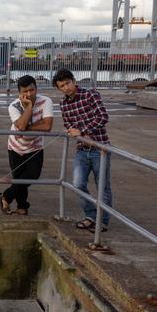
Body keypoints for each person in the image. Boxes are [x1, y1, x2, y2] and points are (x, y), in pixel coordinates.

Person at [53, 68, 112, 233]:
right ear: (58, 89)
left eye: (67, 83)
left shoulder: (90, 95)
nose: (66, 88)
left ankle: (102, 222)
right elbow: (68, 125)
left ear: (73, 81)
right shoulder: (63, 104)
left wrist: (84, 130)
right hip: (81, 149)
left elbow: (102, 117)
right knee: (78, 183)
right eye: (61, 86)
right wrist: (75, 132)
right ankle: (91, 216)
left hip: (100, 148)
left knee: (103, 187)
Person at [0, 75, 53, 215]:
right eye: (25, 91)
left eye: (32, 90)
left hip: (35, 146)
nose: (29, 94)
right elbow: (21, 125)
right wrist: (29, 106)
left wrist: (26, 127)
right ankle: (22, 206)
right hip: (15, 146)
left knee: (32, 175)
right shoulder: (14, 106)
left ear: (36, 88)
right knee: (19, 177)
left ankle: (6, 196)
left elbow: (47, 126)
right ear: (19, 93)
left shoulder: (46, 101)